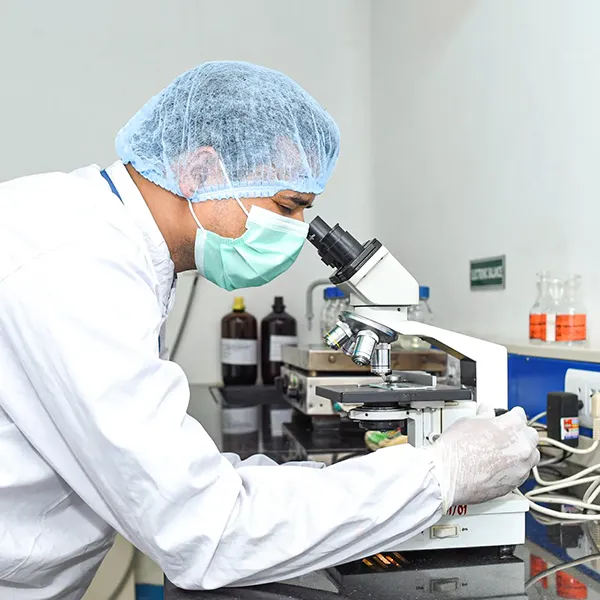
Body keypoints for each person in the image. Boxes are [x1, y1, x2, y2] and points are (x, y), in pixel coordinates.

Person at [0, 61, 539, 599]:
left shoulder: (92, 236)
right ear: (203, 171)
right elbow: (204, 529)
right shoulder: (76, 265)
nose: (295, 230)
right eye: (288, 205)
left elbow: (193, 485)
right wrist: (439, 476)